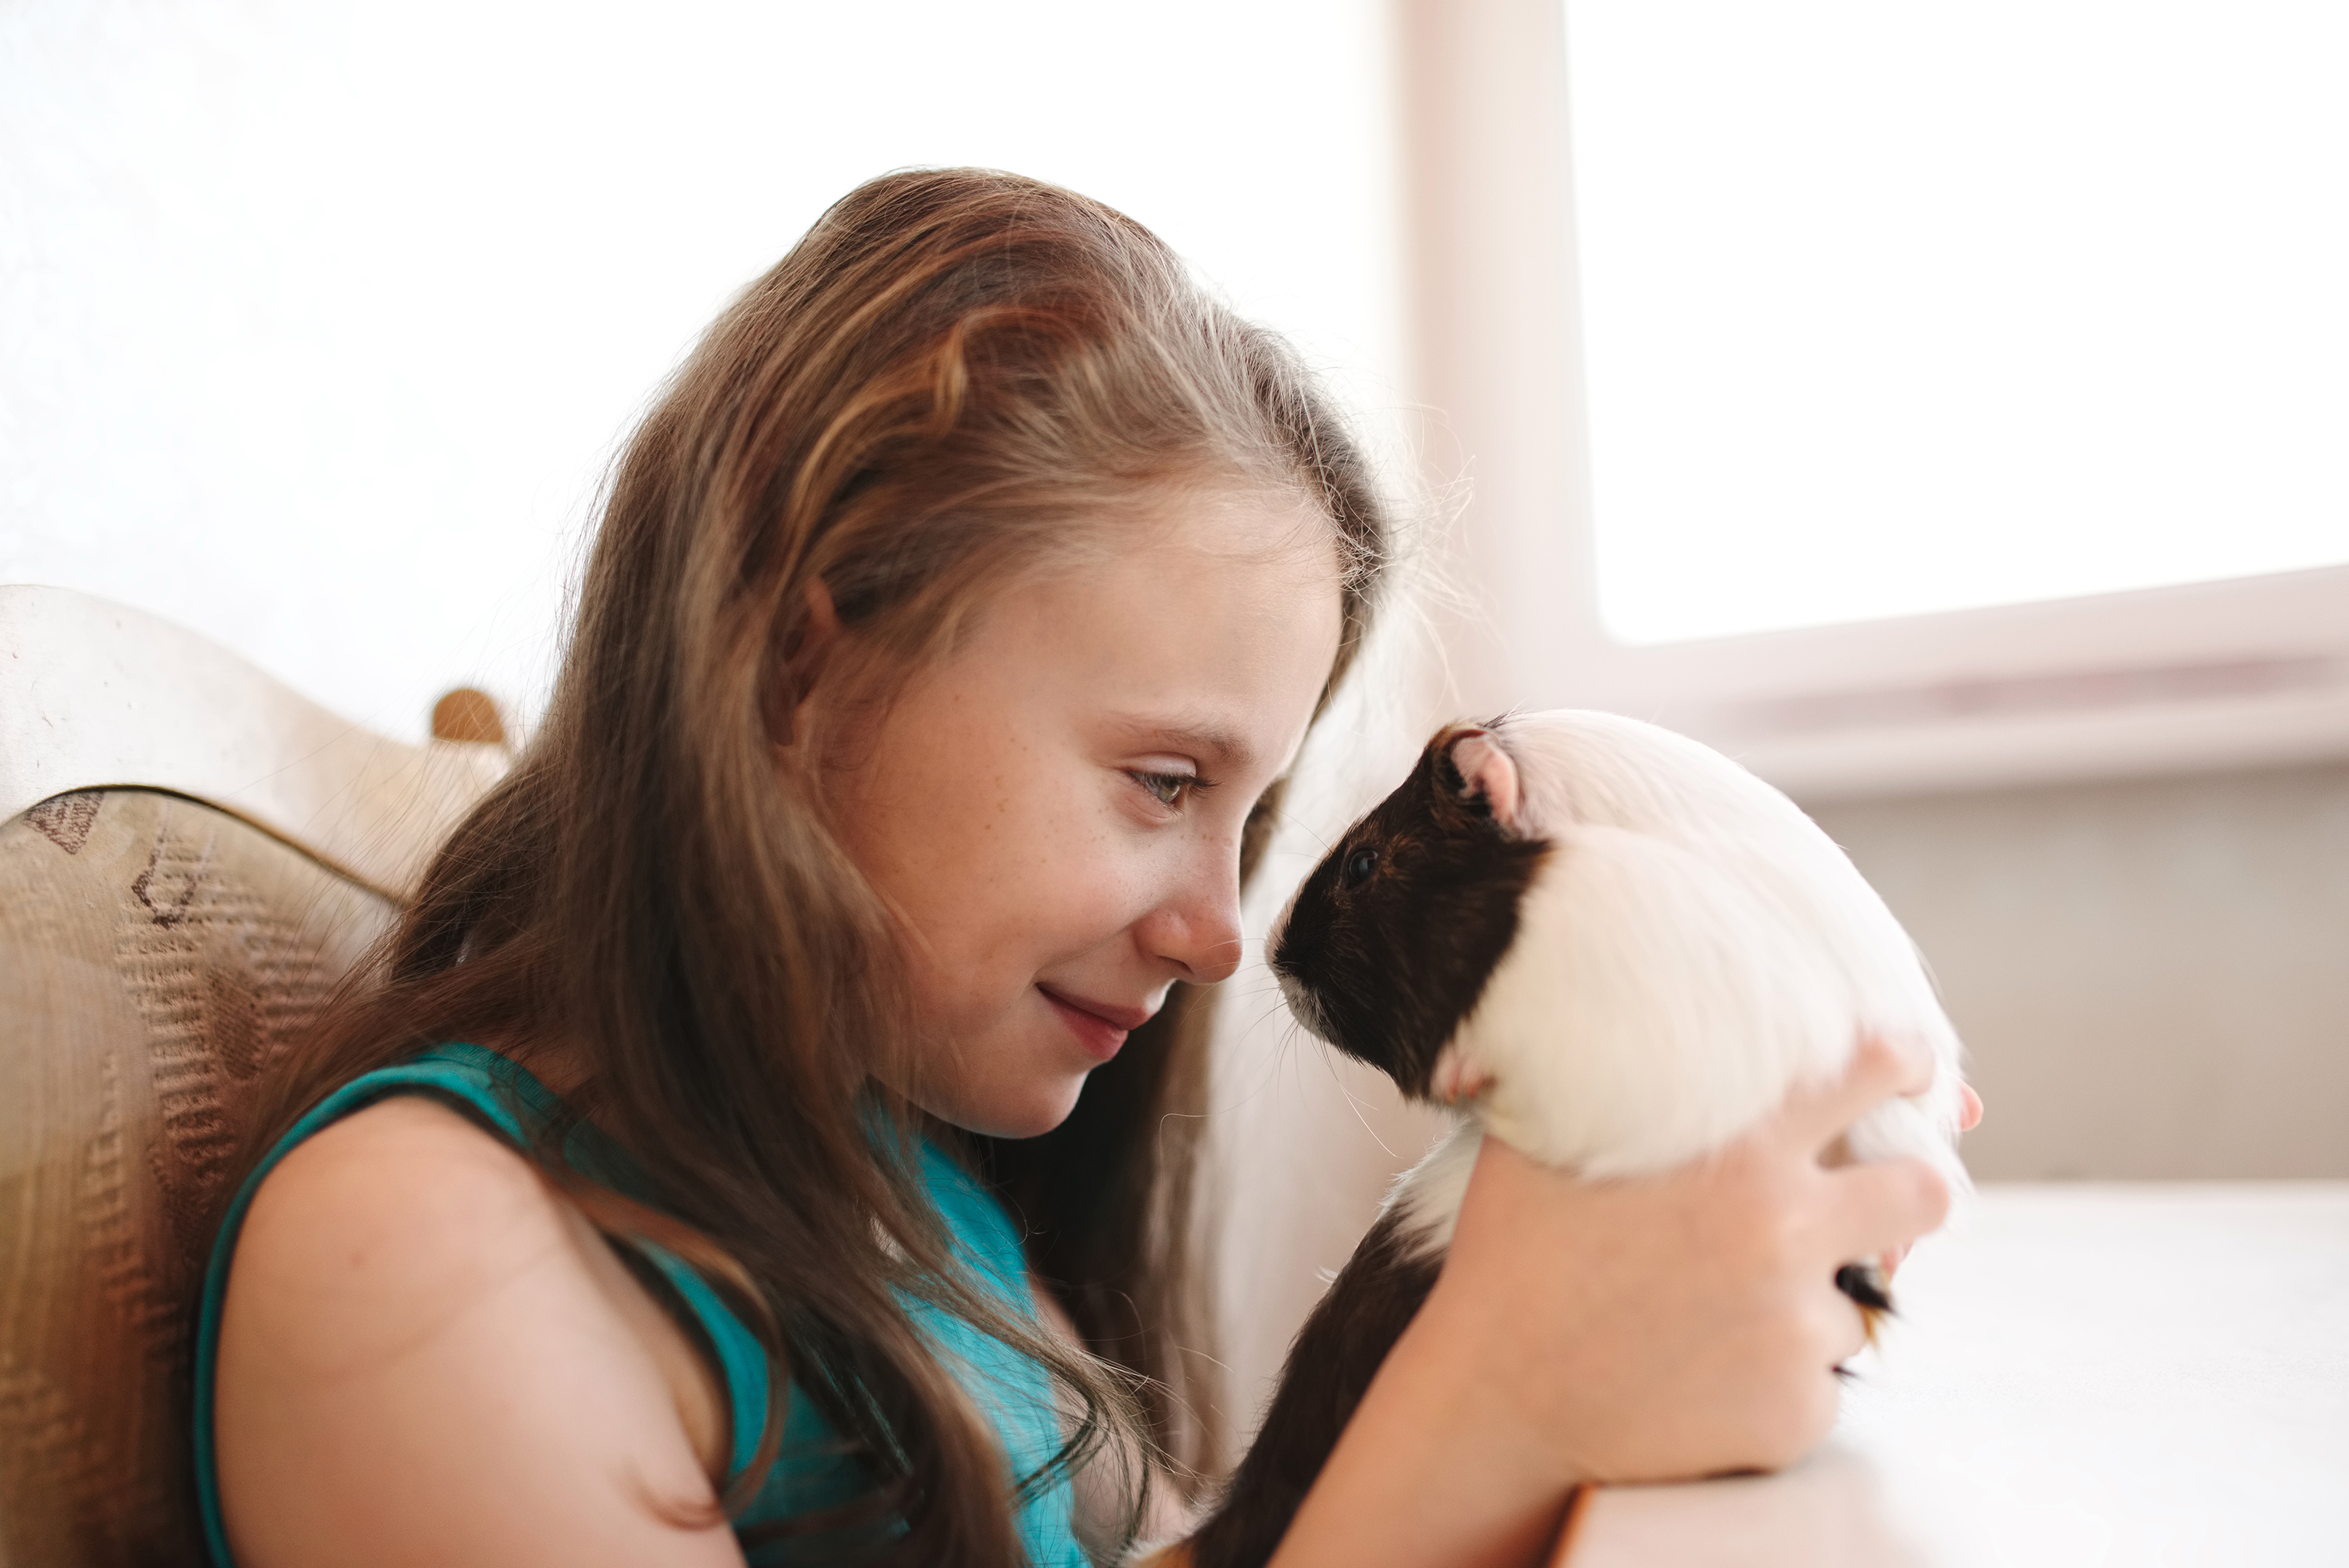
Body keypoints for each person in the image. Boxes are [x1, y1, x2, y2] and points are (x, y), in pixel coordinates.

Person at [195, 168, 1964, 1568]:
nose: (1215, 933)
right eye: (1160, 779)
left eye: (1248, 815)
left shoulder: (890, 1172)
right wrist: (1494, 1389)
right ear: (803, 669)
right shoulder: (429, 1262)